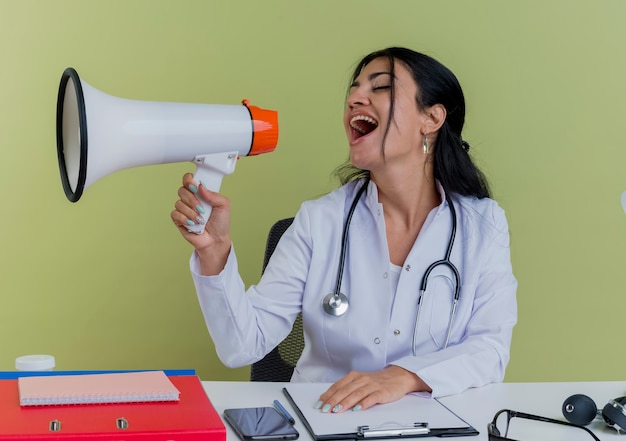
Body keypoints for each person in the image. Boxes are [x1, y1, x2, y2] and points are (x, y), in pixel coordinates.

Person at [171, 47, 517, 413]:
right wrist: (213, 250)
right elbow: (243, 345)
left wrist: (403, 376)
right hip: (324, 419)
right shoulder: (320, 220)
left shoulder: (482, 225)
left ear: (430, 118)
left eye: (380, 87)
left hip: (429, 423)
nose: (354, 98)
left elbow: (490, 350)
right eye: (353, 90)